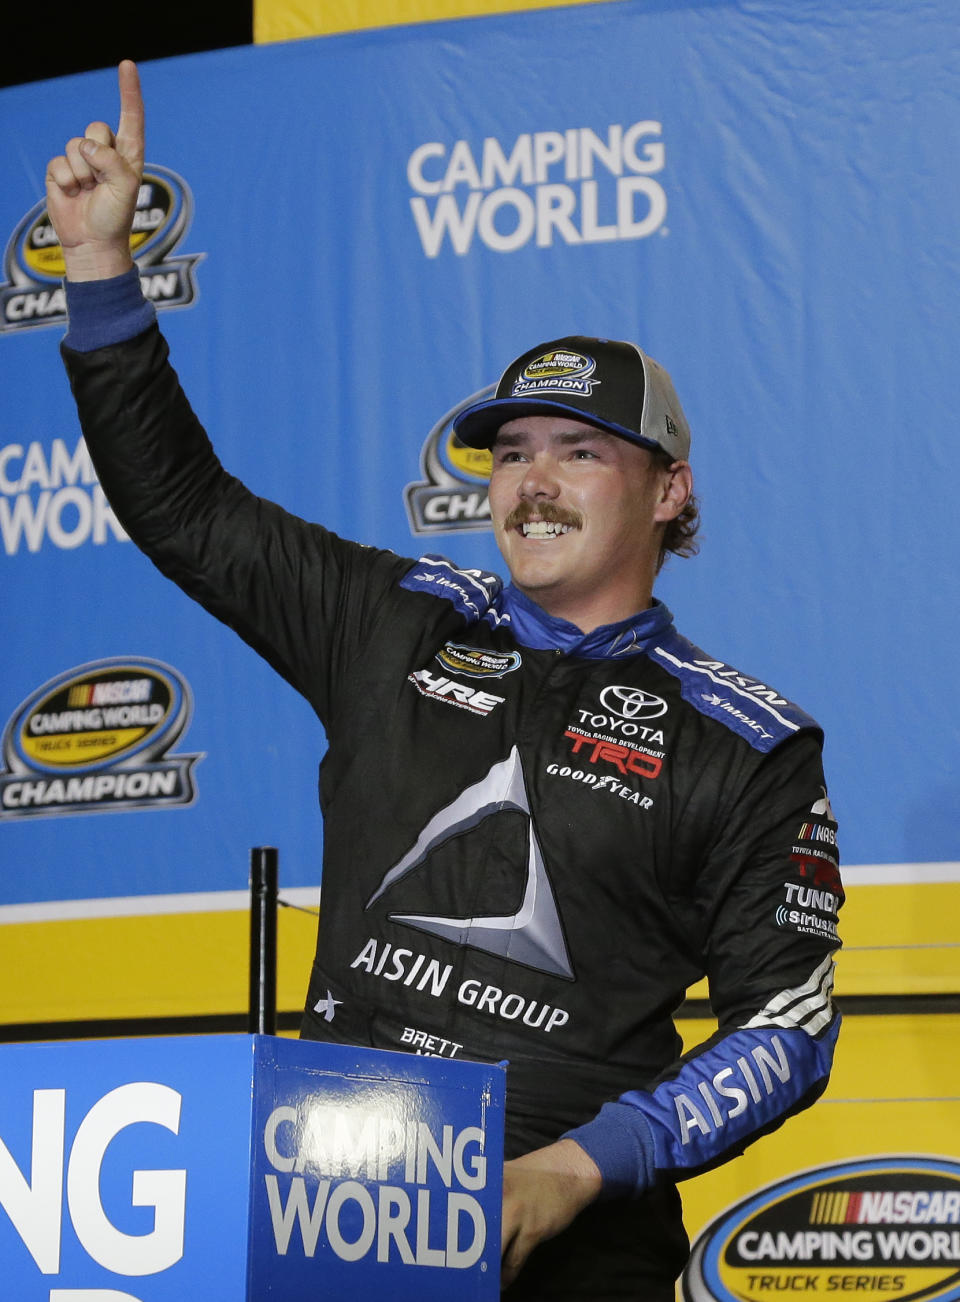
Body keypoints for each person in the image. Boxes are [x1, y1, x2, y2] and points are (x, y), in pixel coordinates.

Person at [46, 61, 843, 1300]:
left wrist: (578, 1169)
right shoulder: (392, 619)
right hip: (332, 1198)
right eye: (513, 452)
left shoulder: (745, 745)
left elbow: (787, 1033)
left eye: (580, 452)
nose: (533, 482)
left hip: (574, 1227)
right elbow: (186, 511)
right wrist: (101, 270)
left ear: (669, 492)